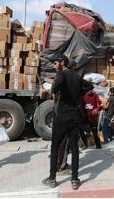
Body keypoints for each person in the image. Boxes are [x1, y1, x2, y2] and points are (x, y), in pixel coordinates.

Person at [42, 54, 83, 190]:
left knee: (55, 146)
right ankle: (75, 179)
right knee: (75, 148)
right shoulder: (77, 76)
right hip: (74, 116)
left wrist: (57, 91)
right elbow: (88, 86)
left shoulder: (61, 74)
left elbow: (54, 88)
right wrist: (76, 95)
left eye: (55, 63)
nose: (54, 65)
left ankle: (52, 178)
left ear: (62, 63)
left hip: (62, 117)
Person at [82, 84, 102, 149]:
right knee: (84, 132)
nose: (90, 91)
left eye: (91, 90)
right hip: (85, 118)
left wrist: (97, 108)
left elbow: (100, 104)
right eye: (88, 90)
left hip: (93, 118)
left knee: (95, 132)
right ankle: (85, 144)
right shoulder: (82, 96)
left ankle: (98, 146)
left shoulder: (95, 95)